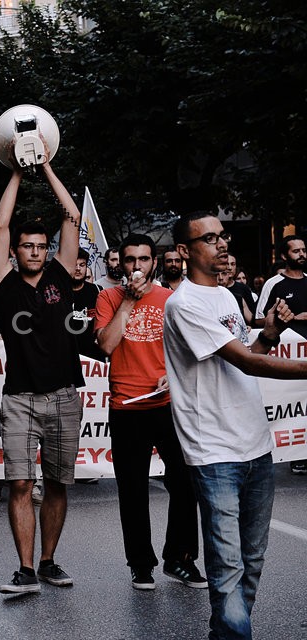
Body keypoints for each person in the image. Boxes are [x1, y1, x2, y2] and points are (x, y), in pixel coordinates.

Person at [163, 211, 307, 639]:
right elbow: (245, 362)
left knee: (252, 561)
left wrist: (269, 333)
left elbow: (248, 355)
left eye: (222, 235)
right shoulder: (183, 304)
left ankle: (225, 633)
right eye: (209, 239)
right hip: (214, 452)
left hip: (255, 445)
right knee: (227, 565)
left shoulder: (225, 297)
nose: (222, 244)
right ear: (185, 251)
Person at [0, 160, 84, 595]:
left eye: (41, 246)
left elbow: (72, 217)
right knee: (22, 483)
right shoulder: (4, 283)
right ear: (15, 251)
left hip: (64, 395)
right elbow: (0, 224)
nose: (34, 252)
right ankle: (25, 570)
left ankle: (47, 562)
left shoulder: (61, 275)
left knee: (59, 483)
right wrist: (16, 171)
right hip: (20, 398)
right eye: (27, 246)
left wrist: (45, 166)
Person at [93, 234, 204, 591]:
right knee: (133, 489)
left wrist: (172, 374)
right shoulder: (108, 297)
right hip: (126, 407)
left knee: (186, 481)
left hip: (168, 405)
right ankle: (141, 564)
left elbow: (186, 352)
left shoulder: (170, 299)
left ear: (154, 262)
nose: (137, 266)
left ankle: (180, 558)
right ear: (121, 264)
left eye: (143, 259)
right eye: (130, 260)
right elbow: (106, 345)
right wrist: (129, 301)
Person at [253, 234, 307, 475]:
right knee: (292, 406)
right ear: (285, 255)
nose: (302, 254)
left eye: (303, 250)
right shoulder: (274, 284)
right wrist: (290, 318)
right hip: (287, 356)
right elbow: (258, 319)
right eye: (296, 251)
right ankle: (296, 455)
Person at [70, 248, 106, 361]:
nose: (78, 268)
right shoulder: (59, 291)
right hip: (67, 355)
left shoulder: (97, 290)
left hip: (93, 356)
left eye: (82, 265)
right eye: (74, 265)